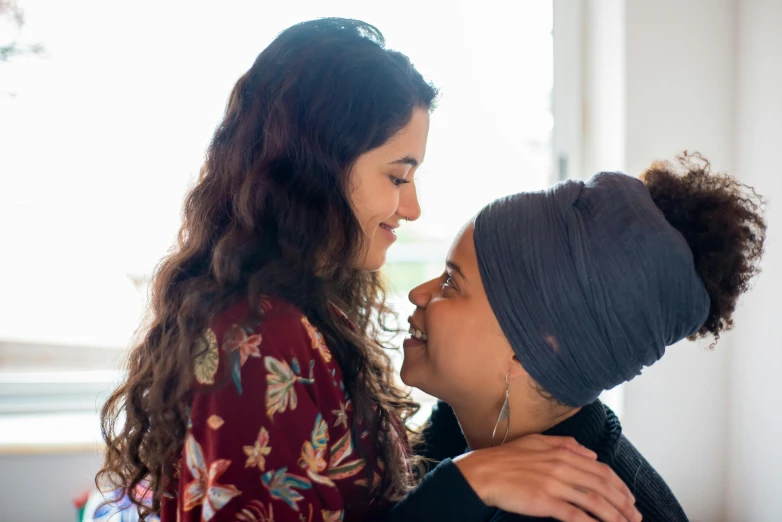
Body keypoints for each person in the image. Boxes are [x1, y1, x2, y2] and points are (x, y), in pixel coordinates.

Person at [97, 18, 641, 522]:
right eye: (398, 178)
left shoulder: (312, 309)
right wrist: (463, 484)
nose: (412, 208)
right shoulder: (258, 337)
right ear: (318, 170)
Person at [401, 154, 767, 521]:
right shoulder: (481, 432)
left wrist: (452, 490)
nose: (418, 293)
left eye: (450, 284)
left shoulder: (569, 512)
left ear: (528, 355)